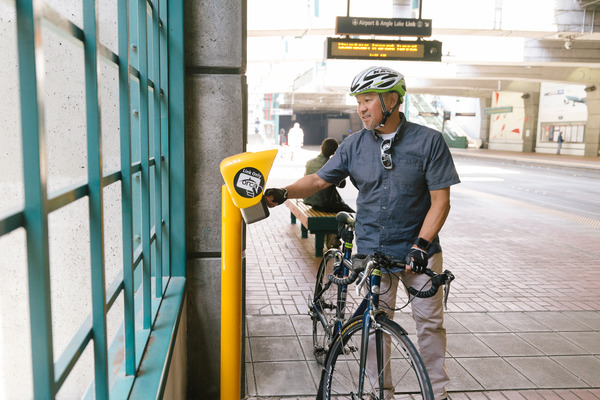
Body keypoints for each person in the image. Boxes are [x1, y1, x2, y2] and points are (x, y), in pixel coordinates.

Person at [265, 66, 460, 400]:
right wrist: (284, 192)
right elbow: (317, 181)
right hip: (373, 253)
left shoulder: (429, 142)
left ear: (392, 99)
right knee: (373, 326)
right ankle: (378, 392)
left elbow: (441, 201)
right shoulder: (353, 145)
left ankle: (437, 394)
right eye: (359, 101)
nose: (361, 108)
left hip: (419, 254)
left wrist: (420, 244)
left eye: (368, 100)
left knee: (429, 326)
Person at [303, 138, 355, 248]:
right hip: (326, 203)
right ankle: (334, 237)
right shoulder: (331, 165)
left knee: (340, 211)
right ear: (334, 152)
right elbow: (342, 185)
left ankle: (332, 236)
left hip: (311, 201)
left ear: (321, 147)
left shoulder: (309, 163)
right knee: (350, 213)